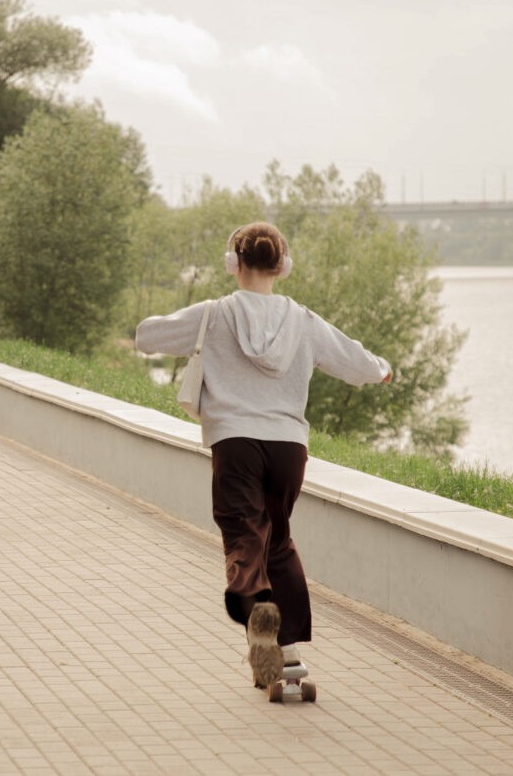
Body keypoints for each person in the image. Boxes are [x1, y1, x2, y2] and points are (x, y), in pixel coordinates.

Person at [134, 221, 393, 691]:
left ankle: (258, 613)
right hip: (288, 447)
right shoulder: (303, 320)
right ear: (283, 266)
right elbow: (354, 361)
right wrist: (383, 371)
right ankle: (286, 656)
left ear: (234, 264)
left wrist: (153, 331)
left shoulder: (213, 314)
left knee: (244, 537)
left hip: (235, 442)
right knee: (278, 539)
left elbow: (150, 336)